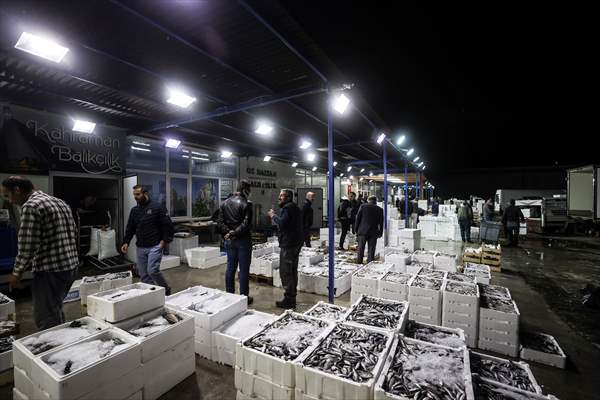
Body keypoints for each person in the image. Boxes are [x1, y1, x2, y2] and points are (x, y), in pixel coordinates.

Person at [2, 176, 78, 329]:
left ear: (17, 190)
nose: (9, 201)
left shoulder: (31, 206)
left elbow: (27, 245)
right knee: (55, 308)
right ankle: (63, 342)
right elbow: (74, 232)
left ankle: (53, 350)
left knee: (46, 318)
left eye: (7, 196)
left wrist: (16, 274)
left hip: (50, 271)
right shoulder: (59, 202)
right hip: (71, 267)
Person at [122, 185, 174, 295]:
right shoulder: (134, 210)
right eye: (134, 194)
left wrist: (164, 241)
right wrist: (126, 242)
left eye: (137, 194)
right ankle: (153, 294)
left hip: (155, 245)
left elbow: (167, 225)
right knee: (143, 275)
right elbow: (130, 227)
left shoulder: (157, 207)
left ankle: (166, 289)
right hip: (140, 247)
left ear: (145, 194)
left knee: (152, 270)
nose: (135, 197)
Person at [217, 180, 253, 304]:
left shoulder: (225, 203)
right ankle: (243, 298)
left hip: (229, 241)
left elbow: (219, 222)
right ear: (245, 189)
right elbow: (246, 224)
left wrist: (228, 232)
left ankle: (230, 296)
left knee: (230, 268)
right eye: (249, 189)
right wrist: (234, 232)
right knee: (243, 270)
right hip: (243, 241)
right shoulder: (247, 204)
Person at [268, 189, 303, 309]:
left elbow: (282, 223)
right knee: (292, 270)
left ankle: (289, 299)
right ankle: (292, 297)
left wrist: (273, 216)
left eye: (281, 196)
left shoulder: (287, 208)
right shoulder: (295, 207)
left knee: (286, 271)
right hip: (295, 243)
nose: (279, 198)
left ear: (288, 197)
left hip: (289, 244)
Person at [354, 196, 384, 264]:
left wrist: (356, 230)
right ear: (376, 201)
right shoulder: (380, 209)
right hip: (373, 232)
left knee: (361, 248)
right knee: (371, 249)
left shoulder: (363, 206)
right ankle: (370, 264)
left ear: (368, 200)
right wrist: (380, 233)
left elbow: (358, 219)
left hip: (362, 231)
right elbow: (381, 223)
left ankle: (359, 263)